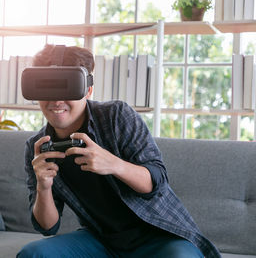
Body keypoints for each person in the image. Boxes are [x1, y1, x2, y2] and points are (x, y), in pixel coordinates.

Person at [18, 44, 220, 258]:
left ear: (88, 90)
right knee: (34, 254)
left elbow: (157, 181)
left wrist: (113, 164)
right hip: (101, 239)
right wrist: (44, 187)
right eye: (49, 89)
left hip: (159, 236)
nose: (57, 101)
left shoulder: (116, 116)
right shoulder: (37, 147)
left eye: (67, 89)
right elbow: (47, 227)